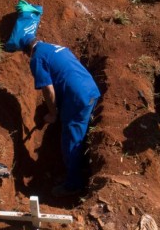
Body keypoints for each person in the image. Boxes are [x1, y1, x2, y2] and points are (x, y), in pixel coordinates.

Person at [20, 34, 101, 197]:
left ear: (27, 52)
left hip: (78, 98)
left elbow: (48, 90)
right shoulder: (54, 47)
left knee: (70, 141)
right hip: (91, 89)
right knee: (81, 132)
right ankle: (82, 164)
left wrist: (53, 113)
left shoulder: (36, 58)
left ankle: (73, 185)